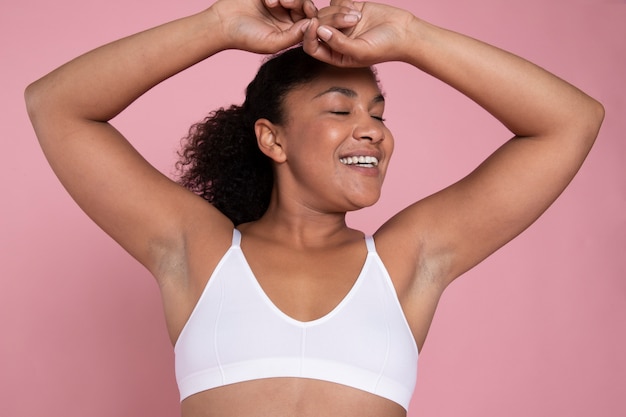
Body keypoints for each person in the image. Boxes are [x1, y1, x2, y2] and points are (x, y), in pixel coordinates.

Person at [24, 0, 604, 416]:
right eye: (339, 109)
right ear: (272, 139)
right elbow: (56, 105)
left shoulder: (409, 259)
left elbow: (570, 121)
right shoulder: (198, 250)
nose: (371, 131)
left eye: (377, 113)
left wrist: (410, 35)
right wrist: (219, 24)